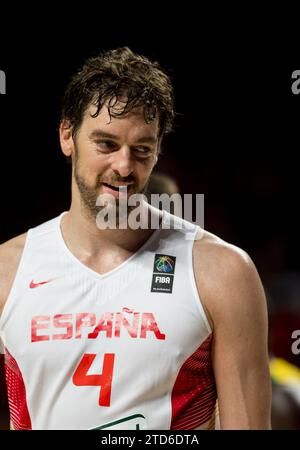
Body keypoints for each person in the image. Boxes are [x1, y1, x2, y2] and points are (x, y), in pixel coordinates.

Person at [0, 47, 271, 430]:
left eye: (141, 149)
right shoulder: (7, 271)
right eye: (106, 144)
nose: (124, 166)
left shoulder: (222, 272)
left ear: (158, 150)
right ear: (66, 136)